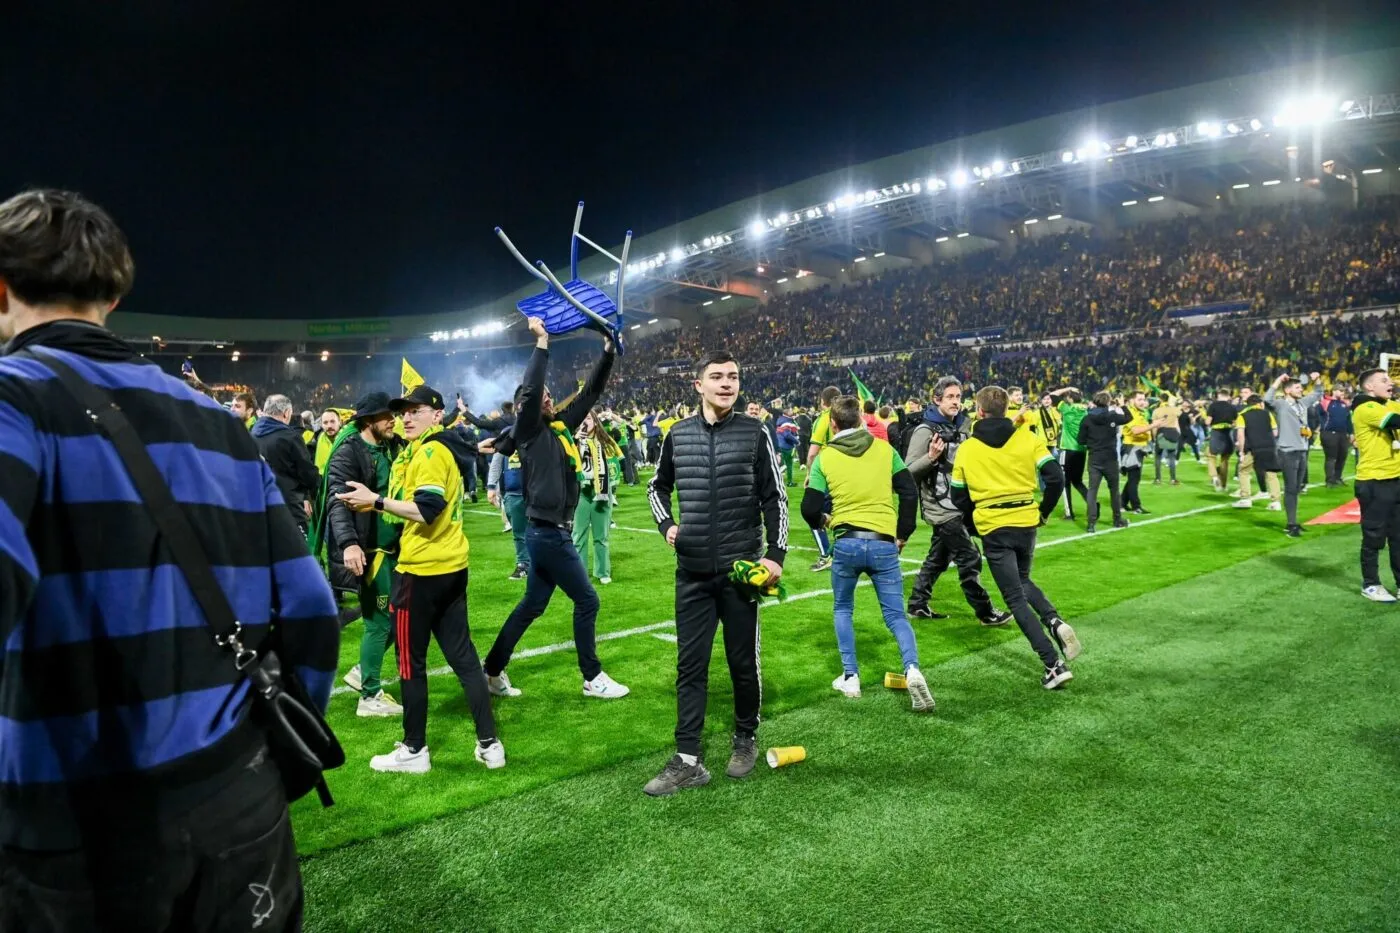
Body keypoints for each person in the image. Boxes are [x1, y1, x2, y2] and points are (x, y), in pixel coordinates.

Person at [0, 188, 338, 930]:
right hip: (239, 799)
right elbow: (312, 605)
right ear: (112, 293)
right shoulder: (218, 419)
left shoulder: (14, 398)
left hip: (77, 829)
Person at [337, 383, 505, 774]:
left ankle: (414, 750)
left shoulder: (429, 452)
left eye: (416, 410)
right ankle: (489, 744)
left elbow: (426, 508)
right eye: (402, 412)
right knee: (464, 660)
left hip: (421, 571)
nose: (406, 417)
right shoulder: (432, 448)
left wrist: (374, 501)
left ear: (436, 414)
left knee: (410, 665)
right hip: (451, 567)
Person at [644, 350, 788, 796]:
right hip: (691, 573)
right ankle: (688, 758)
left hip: (740, 572)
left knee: (743, 662)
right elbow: (657, 486)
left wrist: (776, 555)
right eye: (717, 376)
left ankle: (745, 736)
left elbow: (774, 497)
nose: (727, 383)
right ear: (698, 385)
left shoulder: (755, 431)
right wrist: (667, 525)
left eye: (733, 376)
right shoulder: (677, 434)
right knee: (690, 666)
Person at [482, 317, 630, 700]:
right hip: (548, 532)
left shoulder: (559, 427)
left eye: (550, 394)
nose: (548, 397)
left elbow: (590, 394)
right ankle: (592, 676)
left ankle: (492, 669)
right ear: (522, 408)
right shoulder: (528, 428)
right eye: (542, 395)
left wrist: (608, 352)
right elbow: (531, 392)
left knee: (532, 605)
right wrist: (542, 343)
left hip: (547, 531)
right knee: (587, 599)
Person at [803, 396, 933, 711]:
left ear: (832, 423)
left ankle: (851, 677)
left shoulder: (825, 458)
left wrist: (824, 520)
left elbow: (809, 508)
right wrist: (903, 533)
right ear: (861, 419)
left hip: (846, 541)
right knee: (895, 615)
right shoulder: (884, 450)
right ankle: (912, 668)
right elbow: (908, 490)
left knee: (843, 610)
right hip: (883, 542)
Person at [950, 386, 1081, 689]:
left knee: (1014, 598)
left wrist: (972, 523)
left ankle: (1052, 663)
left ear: (979, 412)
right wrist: (1043, 512)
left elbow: (958, 496)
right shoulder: (1027, 437)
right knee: (1022, 579)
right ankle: (1054, 620)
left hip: (993, 524)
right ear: (1007, 407)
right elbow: (1055, 478)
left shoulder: (968, 448)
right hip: (1026, 519)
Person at [903, 376, 1009, 625]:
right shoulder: (924, 430)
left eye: (958, 397)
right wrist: (930, 457)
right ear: (936, 399)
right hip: (939, 506)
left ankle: (917, 603)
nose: (955, 402)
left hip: (958, 503)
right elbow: (906, 473)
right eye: (950, 397)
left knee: (939, 557)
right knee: (970, 556)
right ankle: (985, 612)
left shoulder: (963, 426)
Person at [326, 391, 406, 718]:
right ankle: (369, 696)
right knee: (380, 620)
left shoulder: (390, 444)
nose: (394, 420)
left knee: (398, 616)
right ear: (370, 420)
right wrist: (349, 544)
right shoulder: (350, 451)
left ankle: (363, 670)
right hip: (370, 552)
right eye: (388, 415)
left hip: (394, 549)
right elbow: (337, 500)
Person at [1350, 369, 1400, 602]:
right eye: (1384, 380)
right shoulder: (1365, 408)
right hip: (1373, 481)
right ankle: (1370, 584)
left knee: (1398, 536)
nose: (1391, 382)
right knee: (1373, 537)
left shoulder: (1389, 404)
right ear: (1369, 387)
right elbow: (1394, 421)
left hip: (1396, 479)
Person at [1263, 372, 1323, 538]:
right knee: (1290, 488)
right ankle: (1290, 525)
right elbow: (1267, 400)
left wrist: (1317, 379)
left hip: (1302, 449)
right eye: (1297, 387)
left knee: (1296, 488)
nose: (1301, 389)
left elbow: (1318, 392)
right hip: (1288, 450)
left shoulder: (1302, 403)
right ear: (1288, 390)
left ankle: (1294, 521)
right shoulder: (1281, 404)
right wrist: (1277, 381)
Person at [574, 408, 621, 585]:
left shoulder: (605, 440)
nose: (585, 422)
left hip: (601, 490)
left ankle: (602, 572)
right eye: (582, 419)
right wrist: (579, 440)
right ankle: (579, 574)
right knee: (579, 534)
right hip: (581, 491)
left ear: (595, 421)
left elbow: (614, 465)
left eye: (588, 418)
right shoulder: (574, 441)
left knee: (601, 535)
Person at [1078, 391, 1132, 533]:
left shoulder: (1087, 419)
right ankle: (1117, 520)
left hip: (1094, 458)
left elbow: (1081, 440)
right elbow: (1128, 418)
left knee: (1092, 491)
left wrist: (1093, 442)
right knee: (1114, 490)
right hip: (1110, 459)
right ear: (1108, 402)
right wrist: (1122, 405)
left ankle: (1091, 524)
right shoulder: (1112, 416)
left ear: (1094, 402)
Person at [804, 385, 842, 571]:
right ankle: (839, 551)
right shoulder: (851, 416)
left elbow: (812, 453)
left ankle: (827, 554)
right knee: (843, 513)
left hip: (826, 473)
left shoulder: (824, 419)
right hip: (847, 472)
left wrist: (810, 474)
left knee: (813, 514)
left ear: (822, 402)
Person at [1232, 389, 1284, 516]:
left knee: (1244, 471)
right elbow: (1275, 432)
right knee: (1271, 474)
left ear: (1248, 404)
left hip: (1253, 448)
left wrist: (1242, 451)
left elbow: (1240, 435)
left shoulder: (1242, 416)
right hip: (1269, 446)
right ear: (1260, 403)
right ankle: (1276, 502)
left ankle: (1245, 499)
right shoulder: (1267, 414)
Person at [486, 433, 530, 579]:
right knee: (518, 532)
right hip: (513, 491)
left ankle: (538, 564)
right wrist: (491, 487)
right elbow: (497, 462)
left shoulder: (543, 430)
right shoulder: (508, 433)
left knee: (541, 530)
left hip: (537, 491)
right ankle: (523, 564)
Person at [1054, 388, 1089, 519]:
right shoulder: (1085, 411)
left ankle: (1069, 513)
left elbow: (1052, 395)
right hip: (1081, 450)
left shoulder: (1067, 409)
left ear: (1070, 398)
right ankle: (1092, 504)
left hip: (1068, 449)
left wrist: (1067, 388)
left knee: (1065, 482)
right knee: (1078, 481)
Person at [1120, 391, 1153, 514]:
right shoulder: (1130, 412)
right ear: (1132, 400)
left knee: (1134, 478)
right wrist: (1154, 425)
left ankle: (1122, 503)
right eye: (1139, 399)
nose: (1143, 402)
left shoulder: (1140, 413)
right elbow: (1136, 430)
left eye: (1143, 399)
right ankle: (1136, 507)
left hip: (1138, 448)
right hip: (1131, 448)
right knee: (1134, 478)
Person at [1320, 387, 1355, 488]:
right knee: (1331, 458)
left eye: (1343, 391)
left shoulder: (1345, 404)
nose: (1342, 393)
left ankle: (1338, 478)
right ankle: (1329, 480)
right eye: (1340, 390)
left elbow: (1348, 420)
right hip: (1329, 433)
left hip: (1343, 434)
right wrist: (1322, 427)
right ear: (1334, 391)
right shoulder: (1326, 402)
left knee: (1342, 457)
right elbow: (1317, 414)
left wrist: (1351, 432)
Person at [1205, 388, 1239, 492]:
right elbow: (1236, 423)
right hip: (1228, 434)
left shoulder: (1213, 405)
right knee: (1225, 460)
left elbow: (1207, 422)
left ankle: (1215, 477)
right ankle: (1223, 485)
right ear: (1228, 396)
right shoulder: (1233, 407)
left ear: (1218, 395)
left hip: (1216, 433)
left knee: (1211, 456)